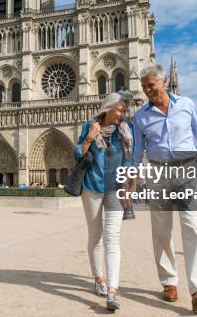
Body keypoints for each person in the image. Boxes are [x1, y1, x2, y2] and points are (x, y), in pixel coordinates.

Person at [133, 63, 197, 313]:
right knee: (162, 230)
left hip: (187, 170)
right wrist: (132, 178)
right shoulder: (141, 116)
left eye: (150, 86)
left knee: (192, 226)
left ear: (164, 82)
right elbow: (136, 151)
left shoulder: (186, 105)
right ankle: (168, 281)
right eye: (143, 88)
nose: (147, 92)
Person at [74, 92, 135, 311]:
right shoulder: (89, 126)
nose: (123, 114)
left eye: (124, 111)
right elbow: (78, 154)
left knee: (112, 237)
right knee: (95, 235)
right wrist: (90, 137)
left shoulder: (126, 131)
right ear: (108, 108)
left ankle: (113, 289)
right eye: (120, 110)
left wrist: (130, 185)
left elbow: (130, 161)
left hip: (115, 188)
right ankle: (98, 278)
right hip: (91, 187)